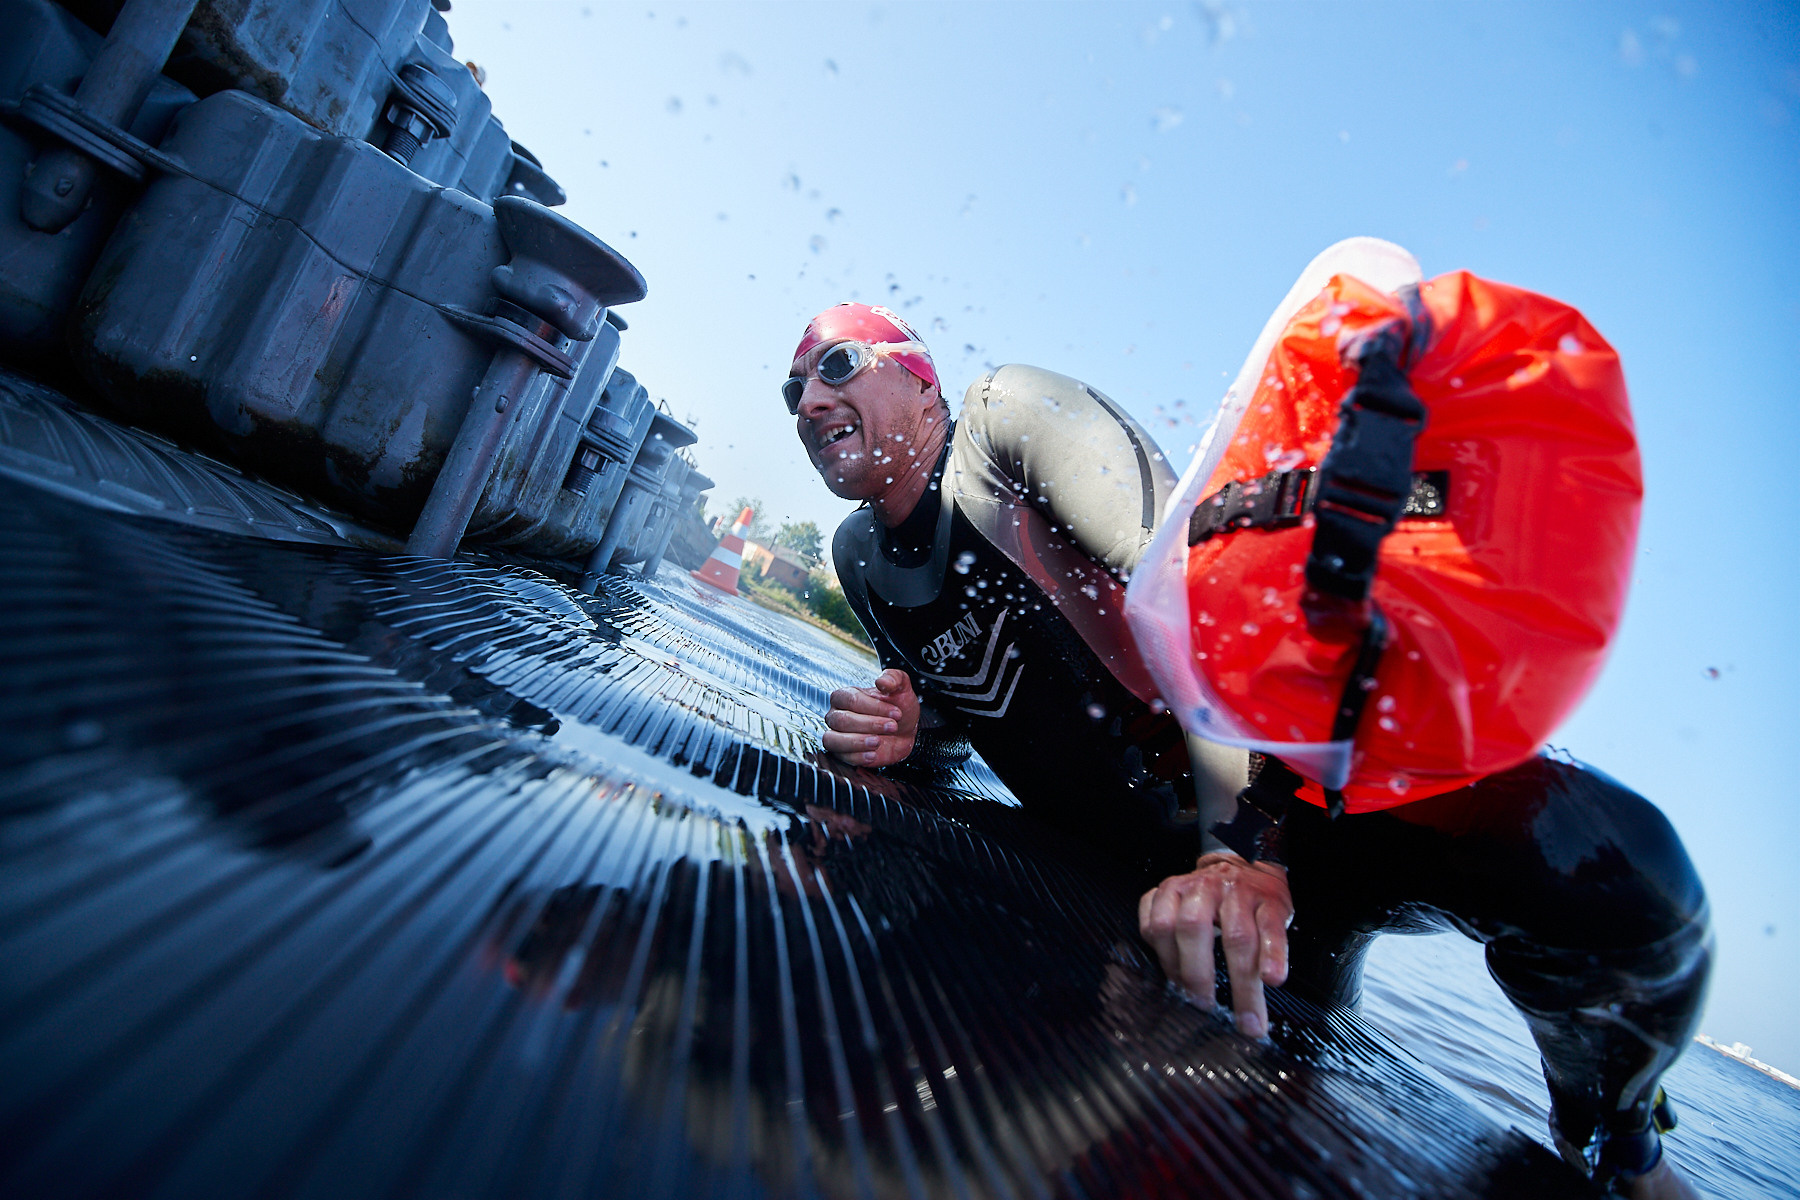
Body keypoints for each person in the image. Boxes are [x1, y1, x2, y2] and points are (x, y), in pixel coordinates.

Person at [786, 302, 1233, 882]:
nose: (809, 403)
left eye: (840, 364)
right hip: (1099, 874)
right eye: (793, 391)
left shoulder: (1001, 422)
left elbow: (1205, 602)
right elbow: (956, 737)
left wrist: (1243, 853)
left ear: (922, 381)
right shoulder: (859, 554)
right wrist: (910, 735)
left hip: (1277, 831)